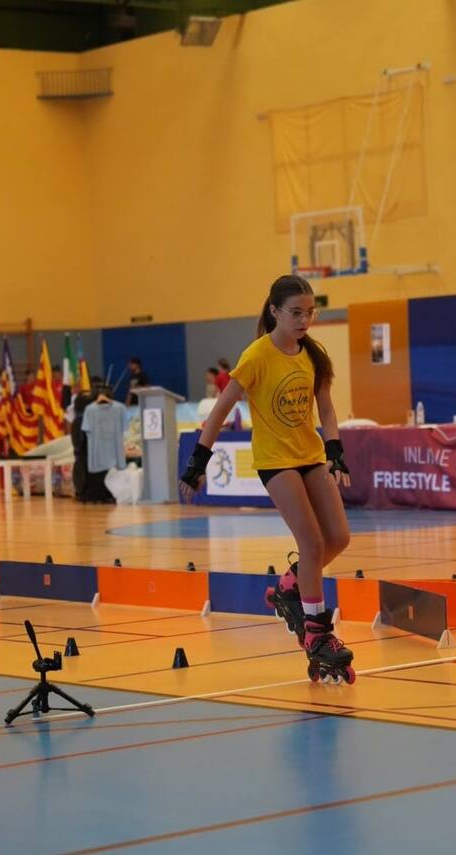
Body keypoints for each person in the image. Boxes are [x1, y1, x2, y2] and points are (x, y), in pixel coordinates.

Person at [180, 275, 355, 684]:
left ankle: (290, 586)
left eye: (310, 312)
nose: (304, 320)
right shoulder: (257, 355)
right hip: (276, 461)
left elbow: (326, 409)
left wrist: (335, 452)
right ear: (274, 311)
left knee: (339, 538)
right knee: (310, 542)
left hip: (310, 455)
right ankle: (316, 632)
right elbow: (220, 411)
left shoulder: (313, 354)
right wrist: (196, 464)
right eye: (296, 312)